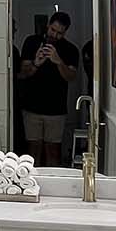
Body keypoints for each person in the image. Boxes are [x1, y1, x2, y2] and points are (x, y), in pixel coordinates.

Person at [17, 12, 78, 166]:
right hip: (31, 107)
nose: (55, 35)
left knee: (53, 151)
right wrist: (36, 63)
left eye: (60, 33)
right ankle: (30, 185)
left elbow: (71, 77)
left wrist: (59, 62)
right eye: (53, 30)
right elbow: (22, 74)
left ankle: (52, 187)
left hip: (56, 110)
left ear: (65, 32)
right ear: (48, 25)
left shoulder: (71, 49)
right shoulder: (31, 42)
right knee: (32, 152)